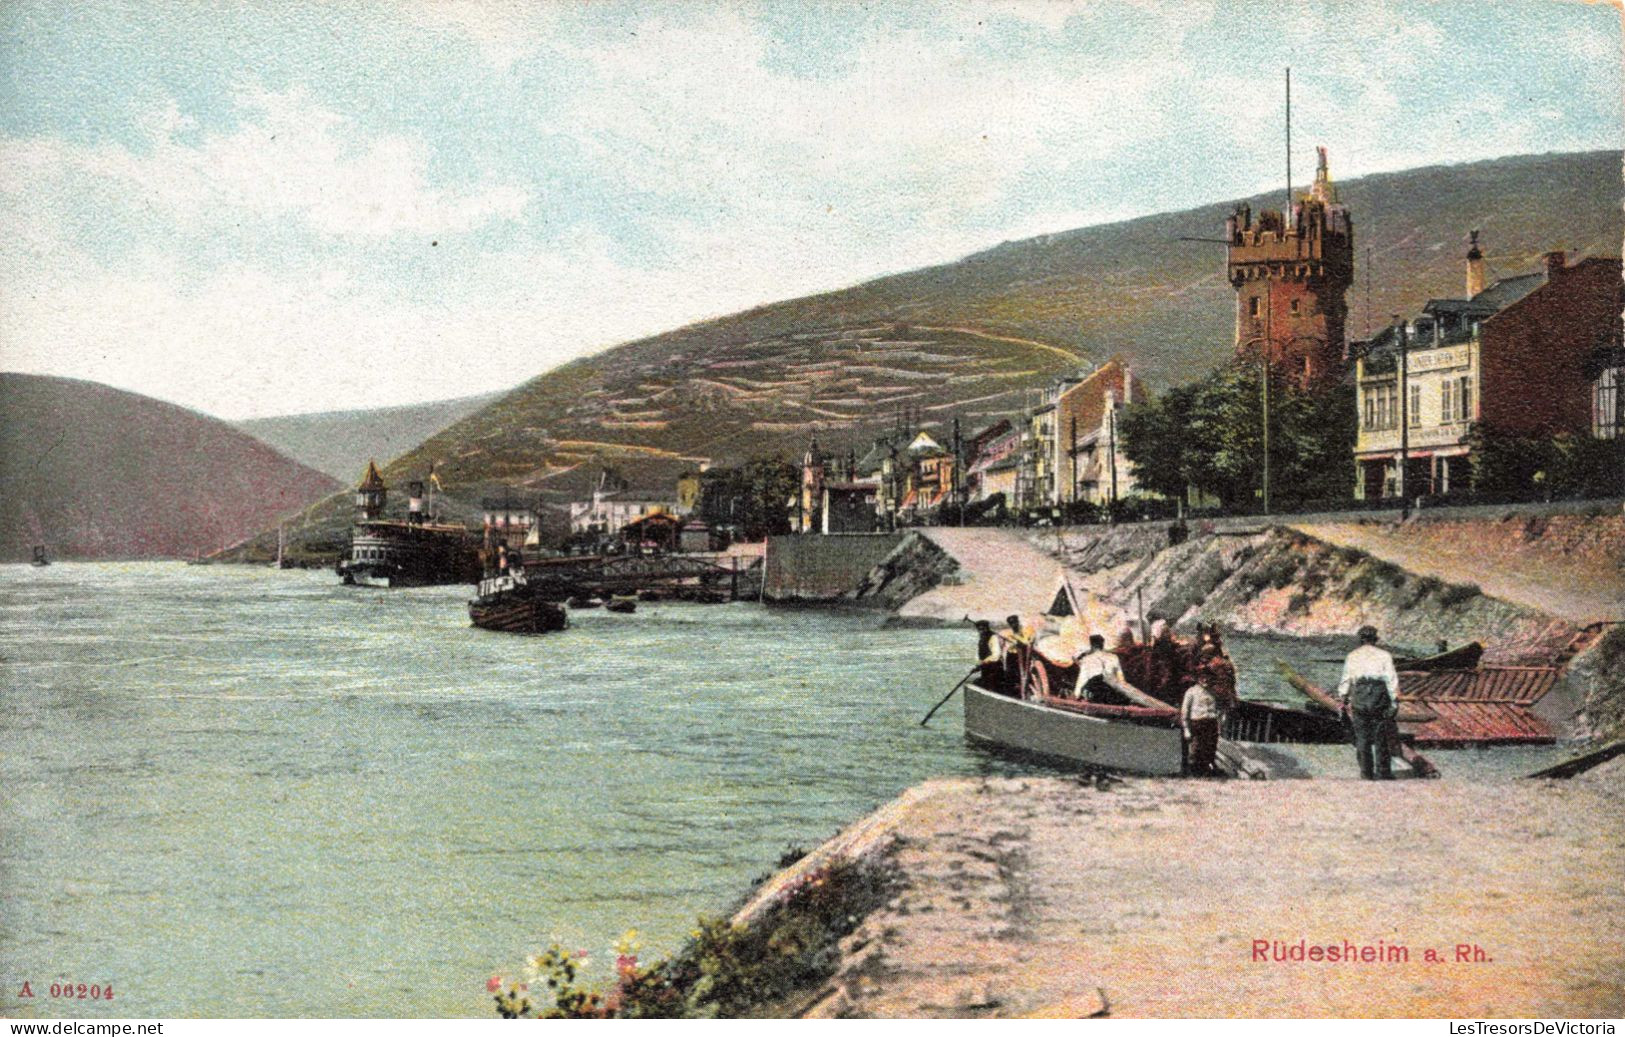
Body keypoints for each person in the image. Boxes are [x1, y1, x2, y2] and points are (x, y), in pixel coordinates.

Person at [1337, 625, 1400, 780]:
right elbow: (1391, 679)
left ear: (1360, 640)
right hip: (1379, 694)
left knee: (1362, 737)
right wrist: (1395, 701)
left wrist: (1343, 698)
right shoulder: (1385, 655)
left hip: (1360, 694)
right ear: (1375, 639)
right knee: (1381, 736)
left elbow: (1346, 680)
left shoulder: (1352, 656)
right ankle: (1383, 772)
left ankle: (1366, 773)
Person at [1181, 669, 1222, 776]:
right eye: (1203, 677)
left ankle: (1206, 772)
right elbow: (1185, 712)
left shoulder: (1213, 692)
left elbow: (1218, 710)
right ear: (1198, 679)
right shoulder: (1191, 692)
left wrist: (1219, 725)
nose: (1205, 680)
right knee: (1195, 749)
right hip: (1197, 724)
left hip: (1211, 724)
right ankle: (1192, 773)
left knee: (1210, 748)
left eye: (1208, 678)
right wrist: (1186, 729)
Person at [1072, 634, 1124, 701]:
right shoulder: (1114, 657)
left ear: (1091, 645)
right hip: (1111, 693)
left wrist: (1076, 695)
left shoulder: (1087, 660)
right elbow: (1121, 679)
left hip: (1096, 694)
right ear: (1102, 644)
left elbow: (1082, 679)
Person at [1001, 615, 1032, 698]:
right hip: (1011, 655)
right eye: (1011, 623)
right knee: (1009, 674)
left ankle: (1022, 692)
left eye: (1015, 622)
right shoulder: (1008, 632)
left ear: (1018, 622)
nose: (1014, 625)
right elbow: (1006, 645)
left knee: (1021, 674)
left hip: (1022, 655)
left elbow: (1026, 642)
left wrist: (1016, 638)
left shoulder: (1024, 630)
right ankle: (1010, 693)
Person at [974, 621, 1002, 691]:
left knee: (992, 686)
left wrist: (983, 662)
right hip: (985, 667)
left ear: (987, 628)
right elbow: (979, 654)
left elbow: (996, 655)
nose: (982, 631)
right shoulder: (982, 638)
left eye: (983, 629)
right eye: (979, 630)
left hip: (994, 667)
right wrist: (978, 665)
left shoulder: (993, 637)